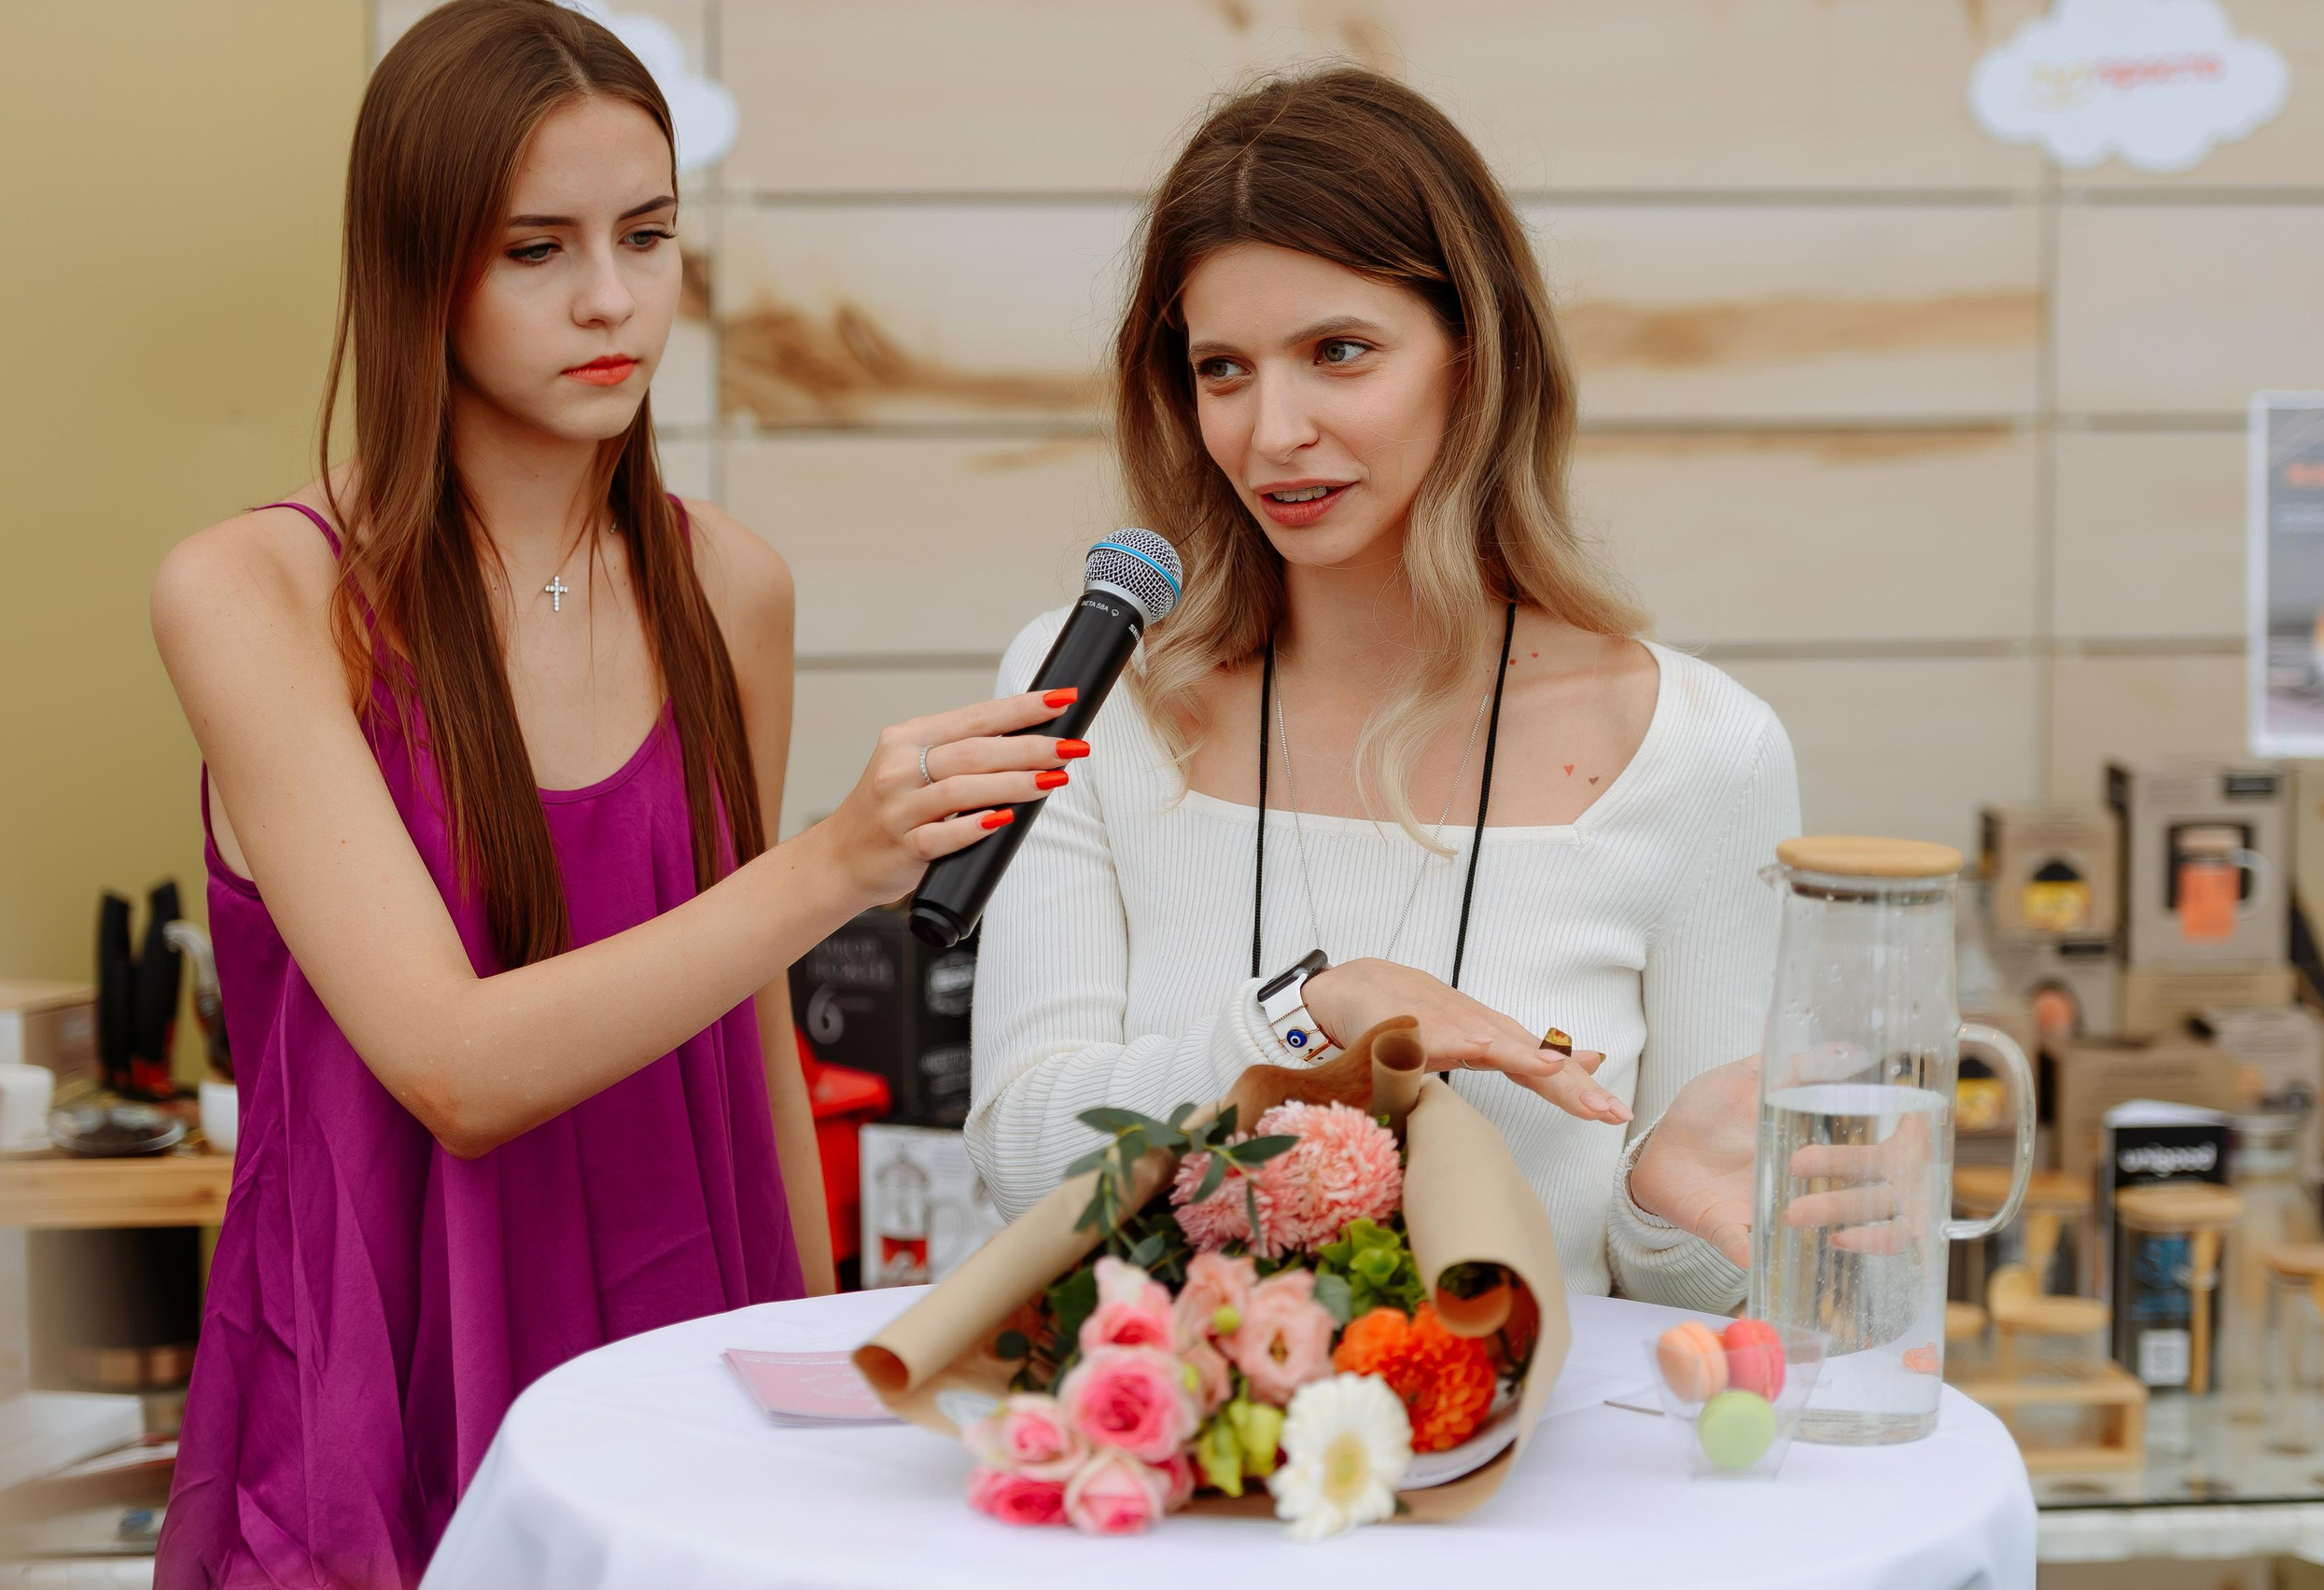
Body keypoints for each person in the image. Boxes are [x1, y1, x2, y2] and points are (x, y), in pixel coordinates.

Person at [147, 3, 1073, 1582]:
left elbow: (753, 1028)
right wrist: (835, 861)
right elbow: (453, 1067)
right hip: (379, 1398)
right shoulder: (256, 595)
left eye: (646, 236)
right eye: (536, 250)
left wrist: (820, 1368)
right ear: (417, 268)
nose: (611, 300)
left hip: (685, 1354)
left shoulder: (730, 588)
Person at [967, 67, 1797, 1306]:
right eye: (1223, 369)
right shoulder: (1094, 691)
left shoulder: (1700, 751)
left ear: (1476, 353)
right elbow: (1027, 1162)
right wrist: (1306, 1019)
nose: (1272, 432)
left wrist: (1662, 1216)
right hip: (1169, 1430)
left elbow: (1687, 1307)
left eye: (1338, 353)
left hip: (1530, 1437)